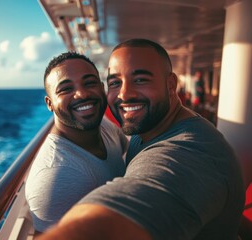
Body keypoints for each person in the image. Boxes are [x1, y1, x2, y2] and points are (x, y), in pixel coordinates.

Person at [36, 39, 245, 240]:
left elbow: (109, 224)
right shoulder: (149, 127)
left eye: (140, 79)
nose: (125, 94)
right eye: (115, 82)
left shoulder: (192, 152)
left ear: (171, 84)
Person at [25, 51, 127, 235]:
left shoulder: (105, 126)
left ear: (101, 87)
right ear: (49, 103)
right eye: (65, 89)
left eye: (90, 83)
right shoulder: (57, 176)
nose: (82, 94)